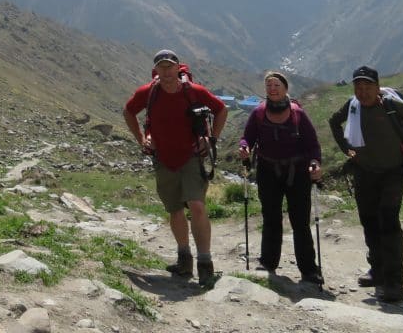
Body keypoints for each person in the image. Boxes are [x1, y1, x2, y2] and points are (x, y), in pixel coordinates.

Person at [328, 65, 403, 303]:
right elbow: (334, 121)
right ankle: (377, 270)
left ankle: (395, 283)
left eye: (368, 86)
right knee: (369, 221)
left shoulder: (392, 105)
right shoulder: (352, 106)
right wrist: (346, 149)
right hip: (363, 172)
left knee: (389, 224)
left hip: (392, 173)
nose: (363, 92)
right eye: (358, 87)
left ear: (377, 87)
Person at [123, 48, 228, 287]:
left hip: (191, 156)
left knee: (197, 205)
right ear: (156, 70)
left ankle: (205, 264)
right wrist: (141, 139)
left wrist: (211, 139)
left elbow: (221, 109)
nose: (166, 71)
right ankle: (184, 259)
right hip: (163, 158)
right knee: (175, 210)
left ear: (178, 68)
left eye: (170, 66)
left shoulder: (194, 91)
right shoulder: (148, 93)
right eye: (162, 67)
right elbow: (128, 111)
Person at [238, 71, 324, 284]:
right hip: (268, 172)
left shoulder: (298, 114)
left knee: (300, 221)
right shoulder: (259, 113)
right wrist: (244, 147)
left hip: (298, 173)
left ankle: (309, 270)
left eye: (276, 85)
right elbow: (247, 137)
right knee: (271, 218)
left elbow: (313, 144)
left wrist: (315, 163)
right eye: (269, 85)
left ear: (285, 88)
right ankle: (268, 263)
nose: (272, 89)